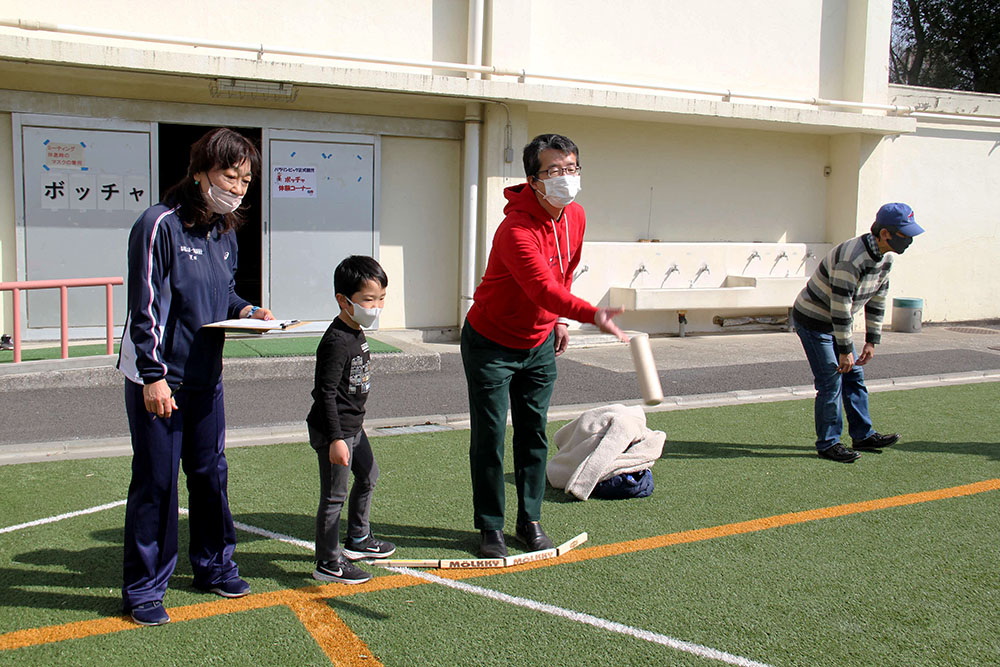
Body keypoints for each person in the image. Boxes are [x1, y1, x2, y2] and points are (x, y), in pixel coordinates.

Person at [117, 128, 272, 626]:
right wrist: (152, 377)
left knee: (210, 476)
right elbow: (143, 308)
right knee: (156, 483)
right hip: (161, 379)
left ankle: (214, 565)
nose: (239, 188)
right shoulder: (157, 224)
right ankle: (144, 589)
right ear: (202, 170)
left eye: (247, 180)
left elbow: (221, 295)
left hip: (208, 378)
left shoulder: (225, 230)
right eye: (232, 176)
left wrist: (247, 309)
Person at [462, 133, 628, 558]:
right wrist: (592, 314)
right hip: (490, 343)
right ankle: (491, 527)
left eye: (572, 169)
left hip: (537, 345)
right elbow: (541, 287)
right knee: (491, 437)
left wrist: (558, 321)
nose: (565, 179)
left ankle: (529, 521)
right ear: (533, 180)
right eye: (554, 171)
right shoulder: (515, 229)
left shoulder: (576, 217)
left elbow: (565, 273)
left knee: (534, 435)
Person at [792, 202, 924, 463]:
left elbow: (877, 299)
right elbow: (840, 307)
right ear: (885, 233)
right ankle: (828, 443)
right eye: (904, 235)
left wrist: (872, 341)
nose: (909, 240)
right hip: (814, 321)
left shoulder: (885, 258)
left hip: (837, 322)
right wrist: (844, 351)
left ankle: (863, 434)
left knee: (855, 377)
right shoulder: (853, 257)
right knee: (831, 381)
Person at [307, 255, 396, 584]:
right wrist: (335, 440)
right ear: (343, 300)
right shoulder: (336, 341)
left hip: (353, 427)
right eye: (368, 300)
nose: (376, 306)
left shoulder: (356, 330)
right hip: (335, 431)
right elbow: (325, 393)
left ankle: (358, 539)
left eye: (381, 298)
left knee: (369, 475)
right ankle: (328, 562)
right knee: (333, 496)